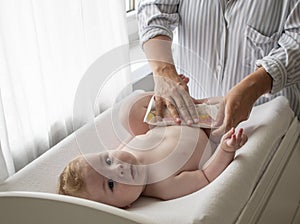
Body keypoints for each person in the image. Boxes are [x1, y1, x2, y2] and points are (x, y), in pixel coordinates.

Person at [137, 0, 300, 137]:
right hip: (198, 126)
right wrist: (163, 71)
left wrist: (252, 88)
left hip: (271, 126)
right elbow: (152, 9)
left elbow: (296, 42)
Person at [57, 92, 247, 208]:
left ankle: (174, 96)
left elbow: (145, 126)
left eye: (107, 160)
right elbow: (206, 175)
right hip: (207, 131)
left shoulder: (127, 149)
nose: (118, 169)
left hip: (172, 118)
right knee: (224, 112)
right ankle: (195, 103)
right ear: (125, 206)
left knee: (128, 112)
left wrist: (160, 105)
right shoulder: (164, 186)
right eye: (111, 184)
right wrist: (225, 148)